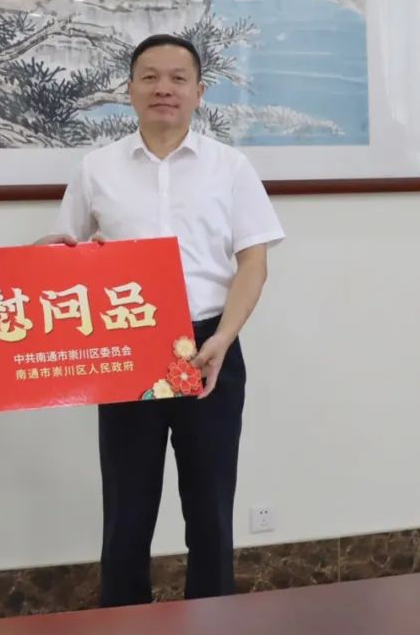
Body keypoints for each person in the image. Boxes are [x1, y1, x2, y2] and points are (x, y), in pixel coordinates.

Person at [45, 33, 284, 606]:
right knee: (126, 511)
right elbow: (61, 253)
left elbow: (253, 262)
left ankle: (213, 618)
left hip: (209, 346)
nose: (164, 89)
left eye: (178, 78)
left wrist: (224, 337)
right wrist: (33, 263)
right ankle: (123, 619)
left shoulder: (230, 167)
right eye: (150, 77)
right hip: (126, 349)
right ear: (129, 89)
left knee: (210, 509)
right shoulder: (96, 168)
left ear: (199, 91)